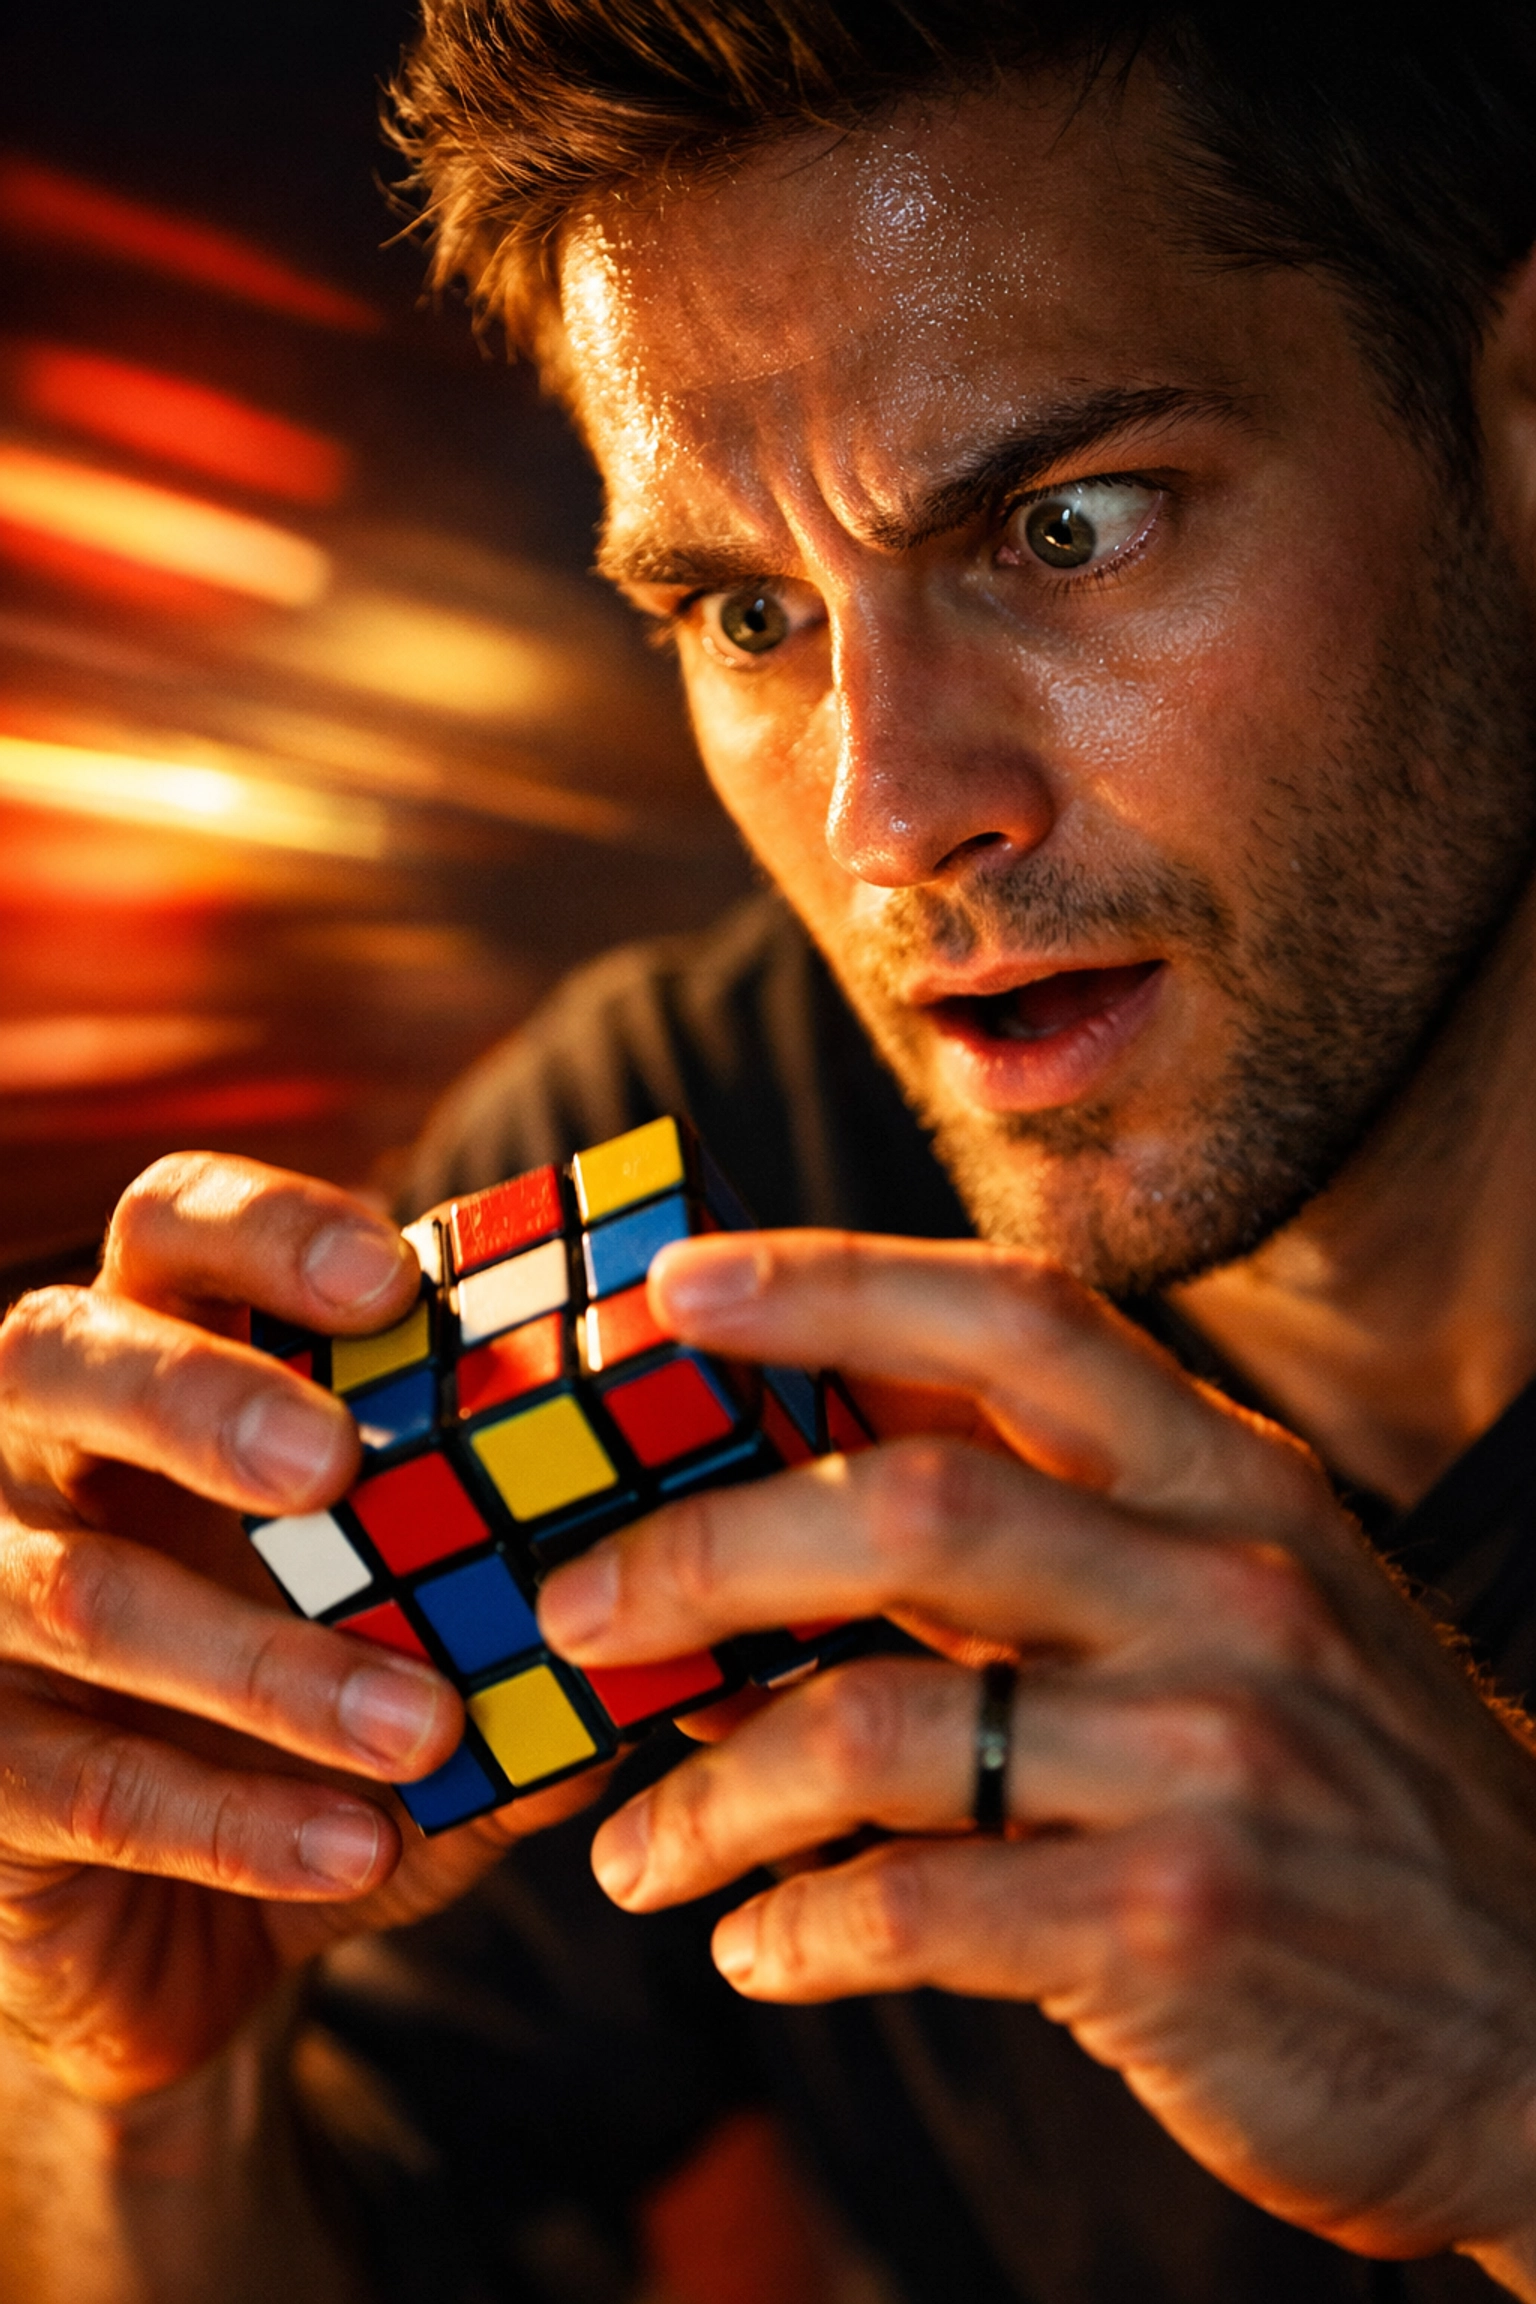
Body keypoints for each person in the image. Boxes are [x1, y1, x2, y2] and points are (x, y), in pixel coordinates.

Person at [9, 2, 1536, 2296]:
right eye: (746, 612)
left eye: (1066, 524)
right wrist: (117, 2083)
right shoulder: (683, 1178)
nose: (890, 815)